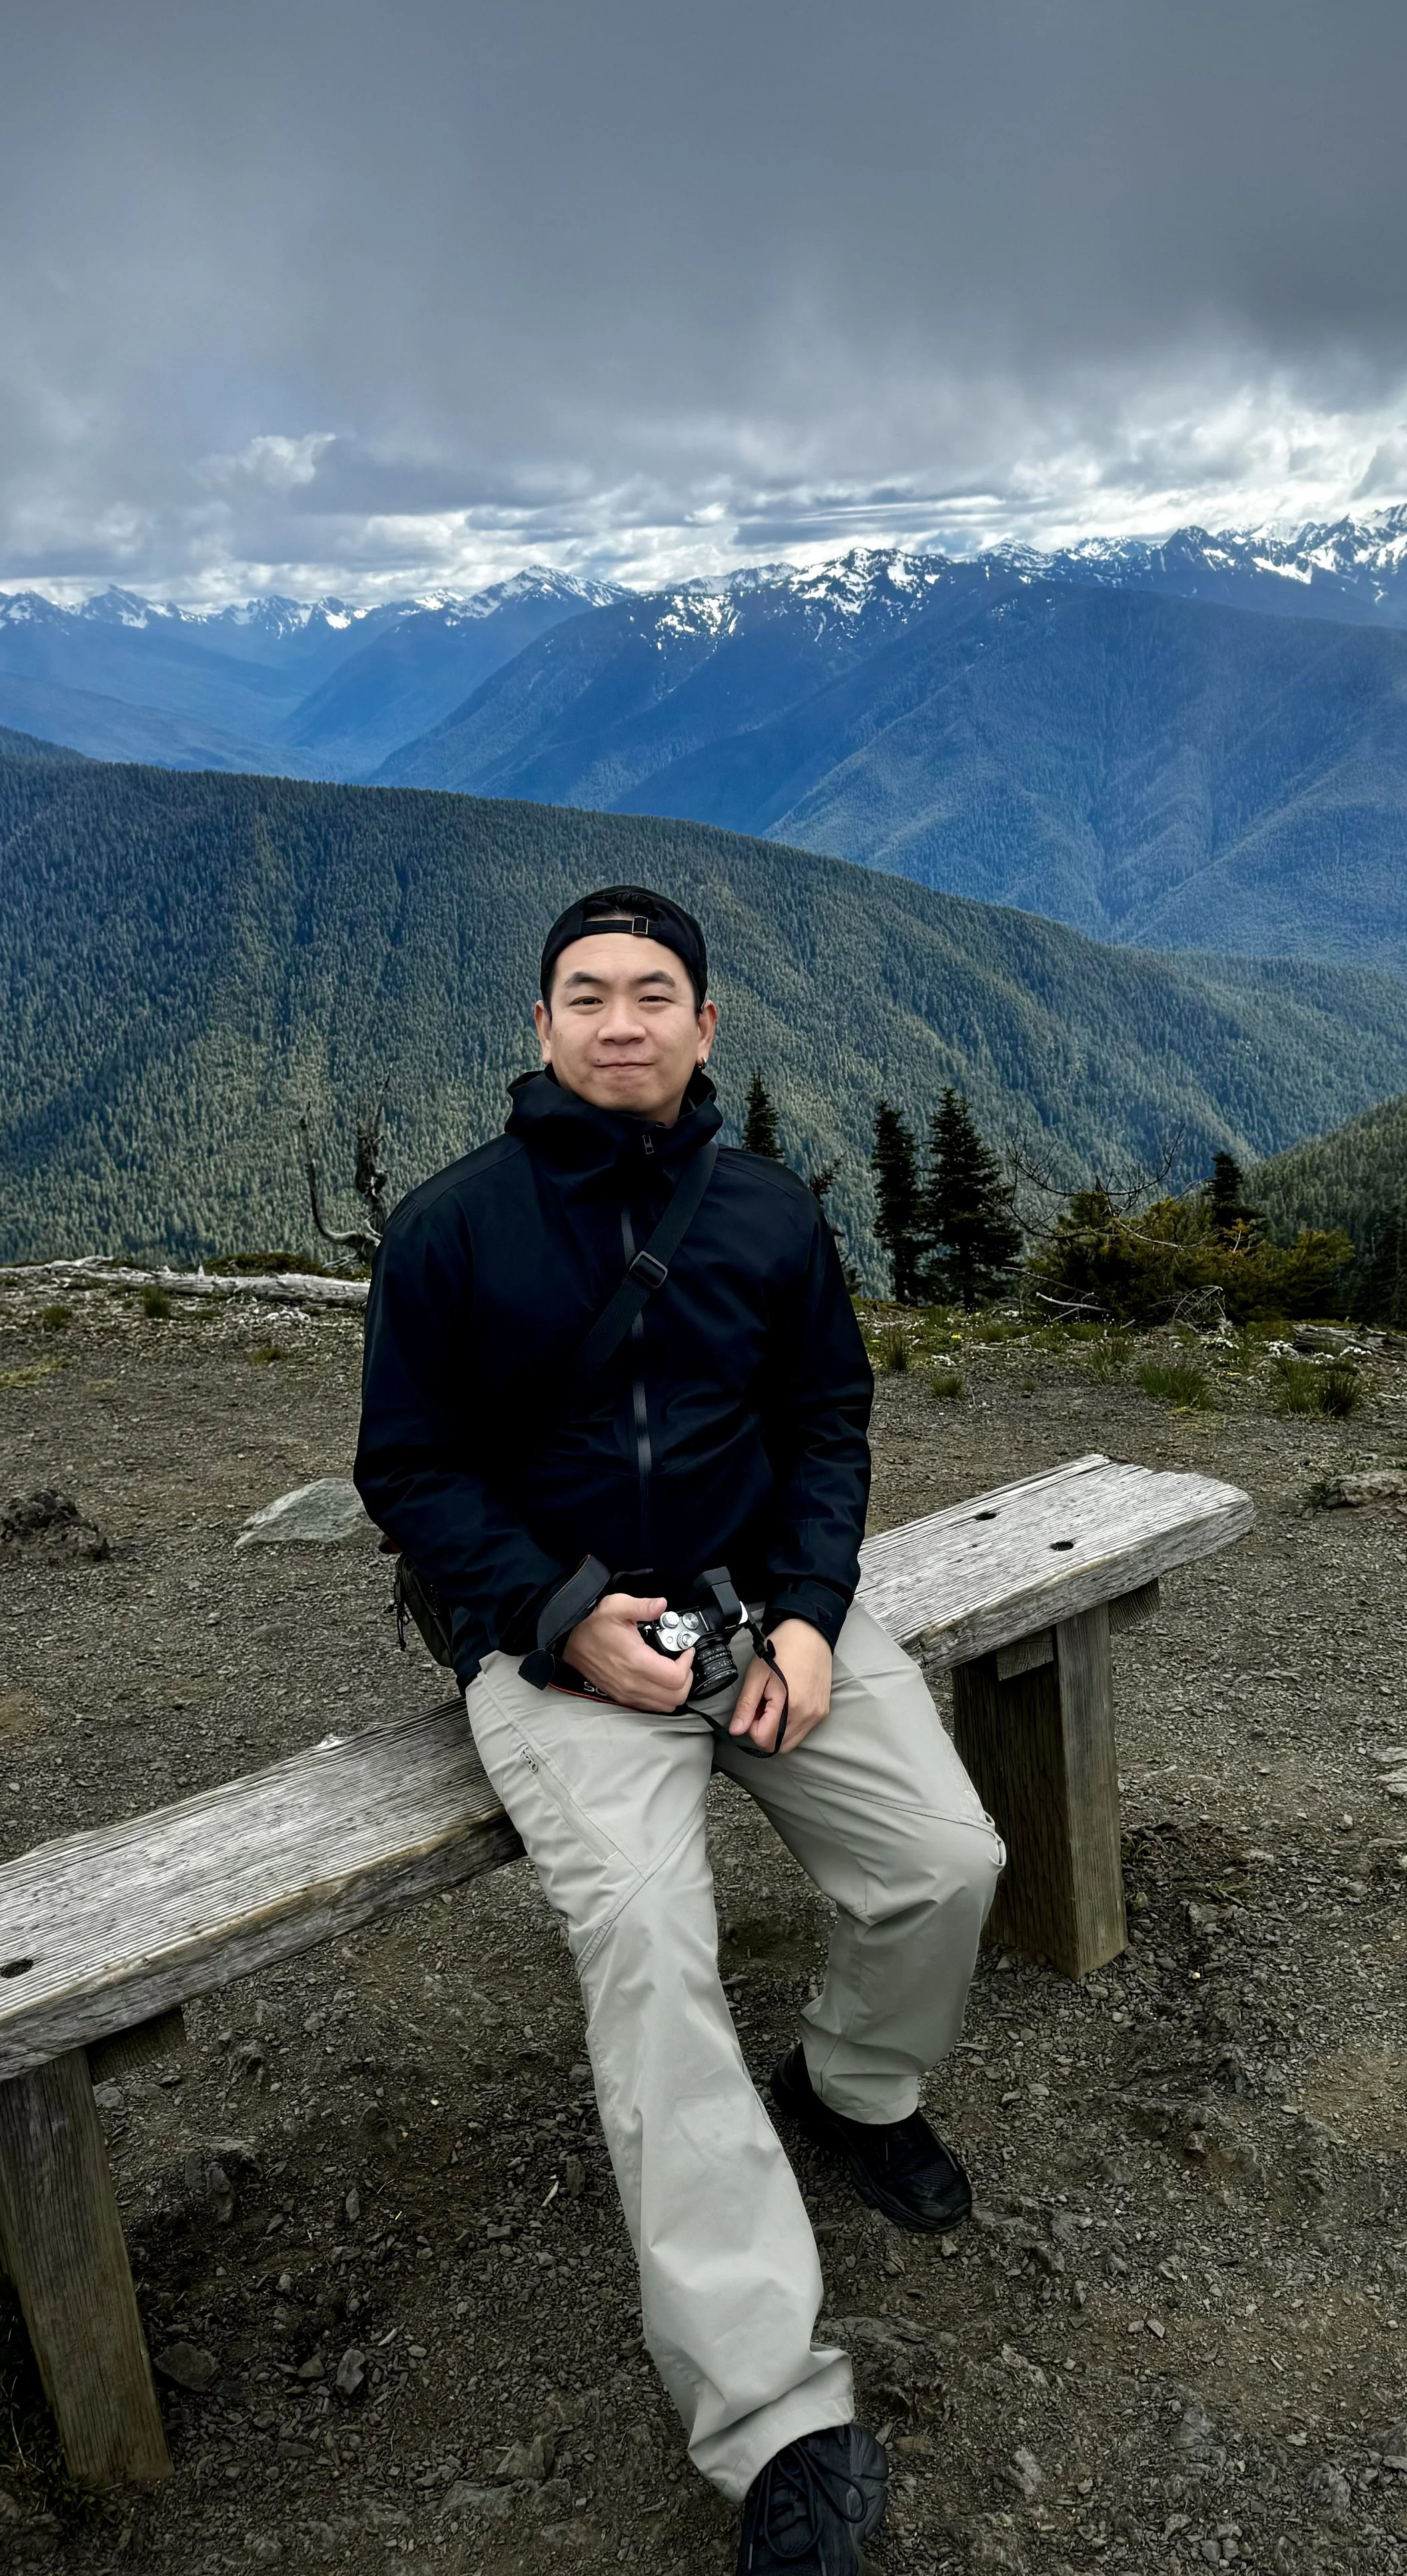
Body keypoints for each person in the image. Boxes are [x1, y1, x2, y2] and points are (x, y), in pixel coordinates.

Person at [354, 884, 1005, 2573]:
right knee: (651, 1957)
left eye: (654, 994)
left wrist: (801, 1606)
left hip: (760, 1608)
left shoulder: (771, 1218)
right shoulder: (450, 1232)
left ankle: (854, 2086)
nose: (621, 1021)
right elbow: (408, 1474)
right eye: (588, 994)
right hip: (559, 1643)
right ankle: (774, 2417)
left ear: (705, 1027)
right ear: (542, 1026)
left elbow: (825, 1419)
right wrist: (561, 1609)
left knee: (943, 1859)